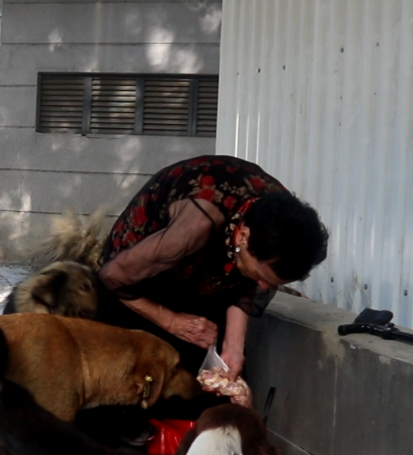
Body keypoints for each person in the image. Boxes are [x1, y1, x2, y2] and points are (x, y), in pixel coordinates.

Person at [97, 154, 329, 380]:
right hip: (137, 281)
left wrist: (233, 347)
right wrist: (172, 322)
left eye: (273, 283)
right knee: (141, 376)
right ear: (243, 237)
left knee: (215, 377)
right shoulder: (193, 228)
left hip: (212, 272)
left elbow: (247, 285)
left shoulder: (282, 226)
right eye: (261, 277)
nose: (264, 286)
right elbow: (111, 277)